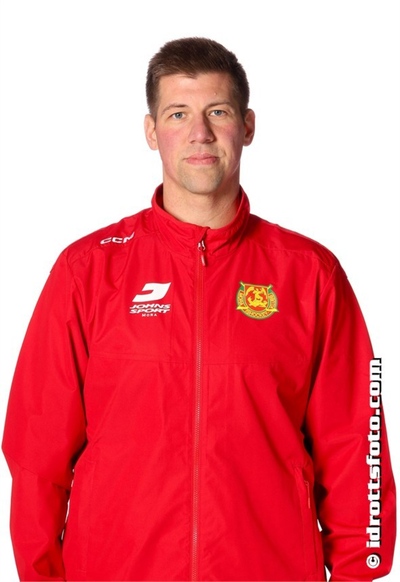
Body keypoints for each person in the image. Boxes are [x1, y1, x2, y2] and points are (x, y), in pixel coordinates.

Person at [2, 37, 396, 582]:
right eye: (178, 114)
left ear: (248, 126)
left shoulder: (310, 275)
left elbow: (359, 447)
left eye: (218, 112)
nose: (200, 133)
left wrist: (360, 572)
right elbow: (36, 451)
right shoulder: (87, 271)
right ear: (151, 131)